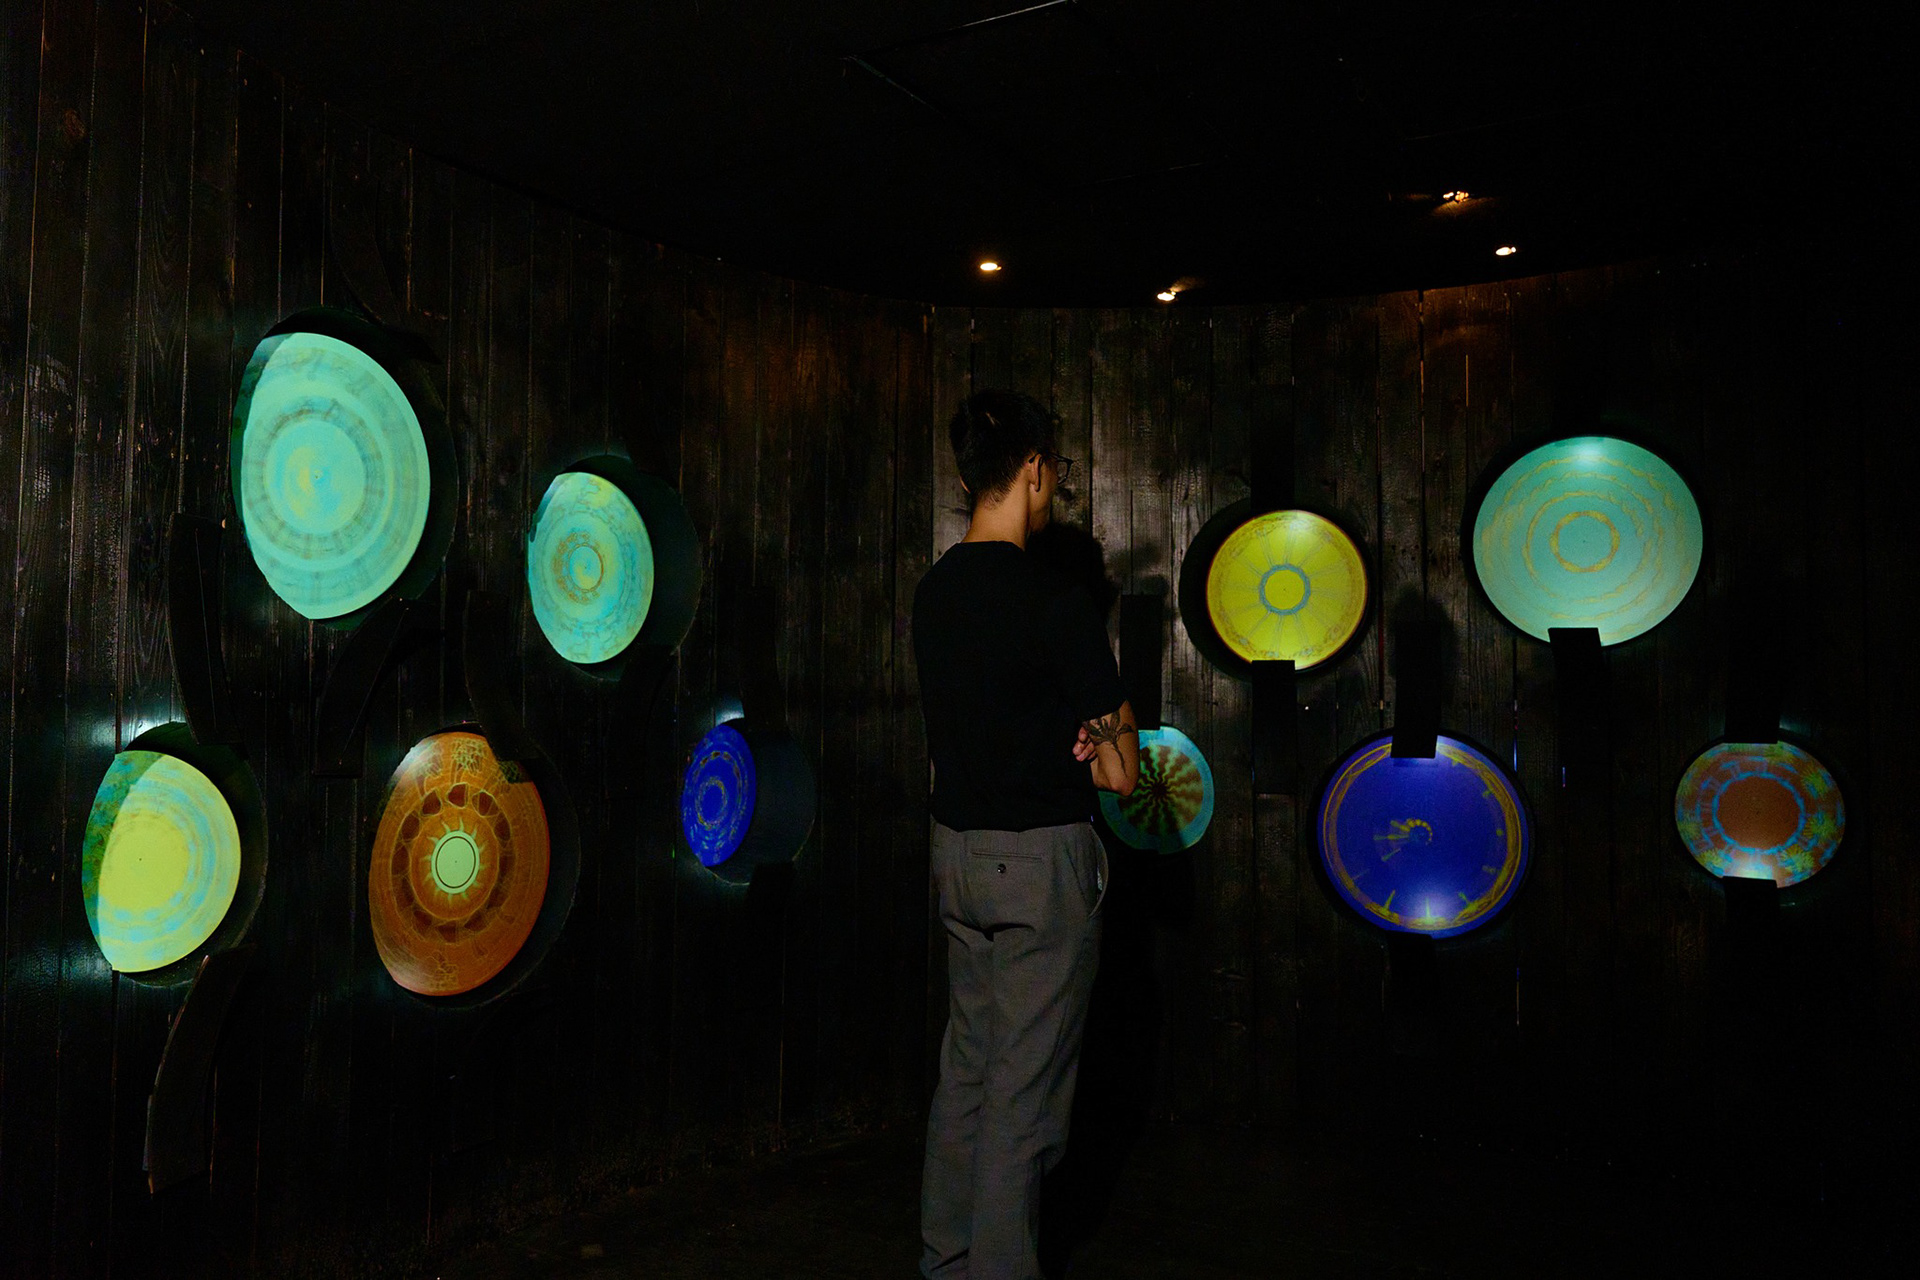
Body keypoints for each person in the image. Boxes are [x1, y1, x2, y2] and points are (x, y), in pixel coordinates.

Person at [912, 389, 1140, 1279]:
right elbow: (1121, 774)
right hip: (1040, 865)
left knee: (966, 1078)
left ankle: (947, 1264)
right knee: (1024, 1100)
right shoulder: (1055, 601)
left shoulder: (934, 593)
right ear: (1036, 470)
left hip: (957, 859)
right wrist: (1092, 734)